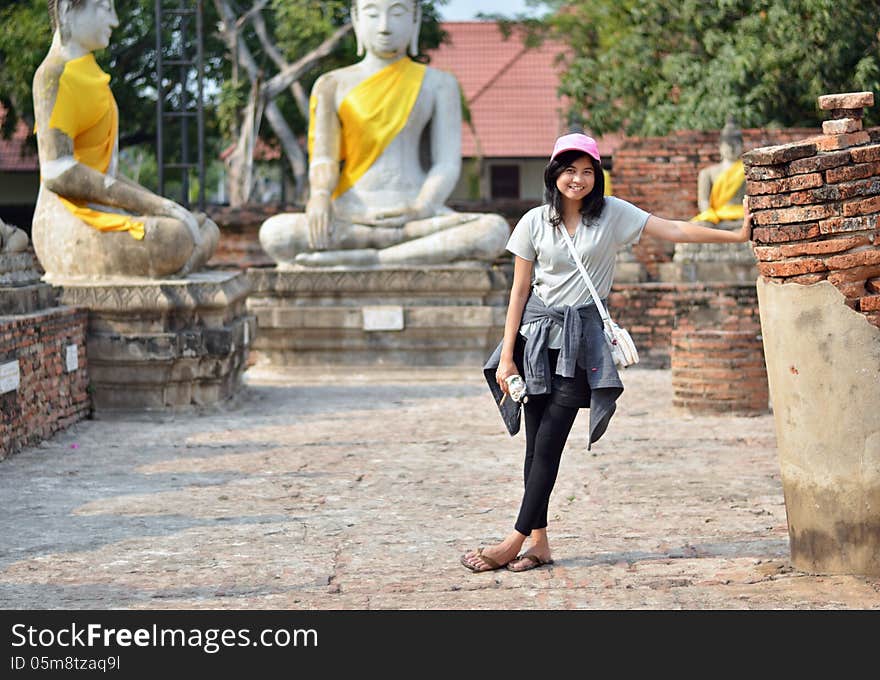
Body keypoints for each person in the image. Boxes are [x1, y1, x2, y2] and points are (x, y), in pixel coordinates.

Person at [461, 133, 752, 572]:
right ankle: (539, 544)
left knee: (551, 443)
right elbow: (519, 291)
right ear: (554, 173)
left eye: (586, 171)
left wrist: (736, 236)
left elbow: (672, 229)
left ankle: (512, 539)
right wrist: (507, 358)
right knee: (535, 444)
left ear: (597, 177)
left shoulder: (612, 214)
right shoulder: (535, 222)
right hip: (536, 340)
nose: (576, 179)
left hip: (581, 343)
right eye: (568, 169)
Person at [258, 0, 509, 267]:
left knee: (493, 231)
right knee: (276, 234)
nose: (385, 27)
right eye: (372, 13)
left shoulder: (439, 84)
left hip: (416, 216)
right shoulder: (331, 84)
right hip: (349, 215)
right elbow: (324, 158)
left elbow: (446, 164)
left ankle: (373, 258)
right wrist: (319, 197)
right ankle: (406, 254)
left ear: (415, 19)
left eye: (397, 13)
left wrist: (422, 207)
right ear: (356, 19)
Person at [31, 0, 218, 279]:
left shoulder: (91, 74)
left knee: (206, 228)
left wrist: (163, 205)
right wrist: (159, 208)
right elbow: (58, 172)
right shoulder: (53, 74)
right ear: (68, 9)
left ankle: (182, 259)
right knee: (177, 236)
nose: (115, 21)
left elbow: (108, 173)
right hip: (66, 224)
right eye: (105, 8)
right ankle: (182, 257)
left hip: (101, 211)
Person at [692, 119, 745, 228]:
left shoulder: (747, 171)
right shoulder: (708, 173)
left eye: (736, 144)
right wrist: (709, 215)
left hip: (741, 215)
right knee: (698, 225)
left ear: (741, 146)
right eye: (727, 144)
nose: (731, 148)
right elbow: (703, 202)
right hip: (716, 217)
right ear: (720, 147)